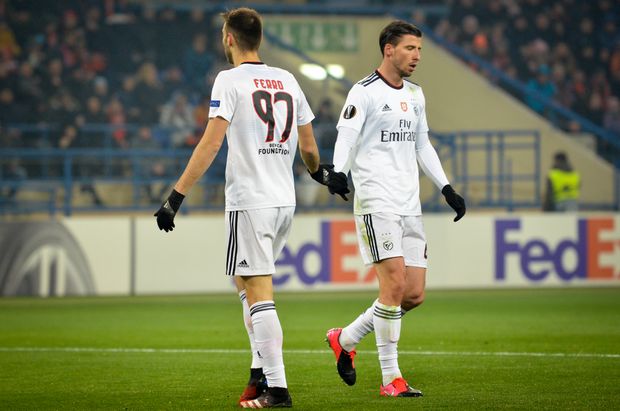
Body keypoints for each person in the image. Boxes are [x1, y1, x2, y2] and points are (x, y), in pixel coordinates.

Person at [153, 7, 349, 409]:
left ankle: (277, 389)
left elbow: (210, 144)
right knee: (244, 283)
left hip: (251, 200)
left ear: (229, 38)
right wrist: (320, 175)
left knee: (258, 292)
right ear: (259, 39)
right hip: (283, 201)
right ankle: (258, 372)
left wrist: (176, 196)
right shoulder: (288, 79)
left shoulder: (229, 80)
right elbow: (310, 148)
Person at [323, 20, 466, 398]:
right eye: (409, 48)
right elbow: (347, 136)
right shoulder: (364, 91)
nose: (416, 56)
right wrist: (338, 172)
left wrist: (446, 187)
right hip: (376, 201)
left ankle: (345, 338)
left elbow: (422, 145)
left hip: (409, 204)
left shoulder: (416, 94)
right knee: (394, 285)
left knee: (413, 294)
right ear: (389, 50)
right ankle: (391, 378)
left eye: (419, 49)